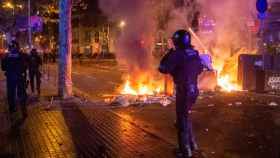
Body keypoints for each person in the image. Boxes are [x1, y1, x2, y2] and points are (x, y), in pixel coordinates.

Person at [158, 30, 204, 158]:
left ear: (177, 41)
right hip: (194, 90)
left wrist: (170, 52)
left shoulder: (177, 54)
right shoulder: (194, 53)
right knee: (186, 116)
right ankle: (193, 144)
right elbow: (200, 69)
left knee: (181, 121)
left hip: (183, 91)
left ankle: (185, 152)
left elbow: (162, 68)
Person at [1, 40, 28, 117]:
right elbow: (25, 65)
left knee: (11, 94)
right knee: (22, 94)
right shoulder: (22, 55)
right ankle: (23, 110)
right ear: (18, 47)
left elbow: (3, 68)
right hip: (20, 77)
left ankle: (12, 109)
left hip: (10, 77)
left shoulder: (6, 56)